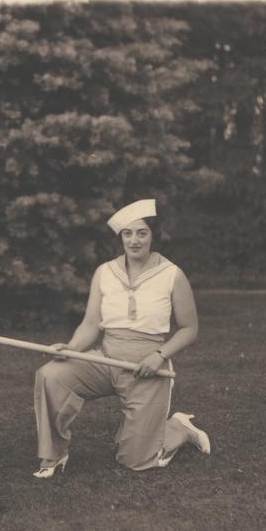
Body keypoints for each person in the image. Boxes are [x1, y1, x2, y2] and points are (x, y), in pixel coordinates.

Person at [32, 199, 211, 478]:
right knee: (51, 374)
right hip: (106, 359)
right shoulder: (105, 272)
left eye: (142, 233)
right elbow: (91, 324)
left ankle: (178, 428)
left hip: (148, 367)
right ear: (121, 237)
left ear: (153, 236)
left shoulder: (172, 274)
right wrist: (72, 348)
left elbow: (190, 329)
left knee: (136, 461)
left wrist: (159, 356)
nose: (134, 240)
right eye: (127, 234)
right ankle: (54, 455)